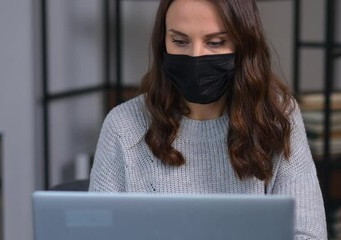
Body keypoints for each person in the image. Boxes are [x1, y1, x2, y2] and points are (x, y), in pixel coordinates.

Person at [89, 0, 327, 238]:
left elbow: (308, 232)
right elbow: (94, 232)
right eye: (180, 41)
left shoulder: (278, 116)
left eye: (215, 42)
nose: (196, 56)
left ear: (243, 43)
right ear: (163, 42)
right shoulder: (123, 125)